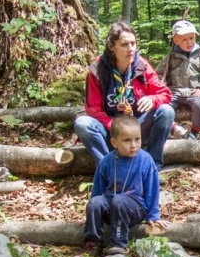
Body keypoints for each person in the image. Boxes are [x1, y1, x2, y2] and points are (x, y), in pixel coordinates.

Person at [74, 22, 175, 168]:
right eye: (124, 44)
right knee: (82, 124)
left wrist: (152, 99)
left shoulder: (142, 66)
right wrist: (113, 125)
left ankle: (151, 167)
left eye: (133, 43)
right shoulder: (97, 70)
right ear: (112, 47)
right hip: (110, 131)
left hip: (137, 128)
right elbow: (93, 109)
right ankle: (110, 168)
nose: (131, 49)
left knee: (166, 111)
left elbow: (165, 94)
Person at [83, 115, 166, 256]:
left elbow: (152, 189)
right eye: (127, 140)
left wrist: (153, 215)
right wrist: (92, 216)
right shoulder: (107, 161)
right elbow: (97, 190)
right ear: (114, 142)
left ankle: (119, 243)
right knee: (96, 202)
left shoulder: (146, 160)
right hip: (111, 205)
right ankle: (93, 243)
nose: (133, 145)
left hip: (135, 208)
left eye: (137, 139)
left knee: (119, 201)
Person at [156, 19, 200, 140]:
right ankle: (172, 128)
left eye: (191, 38)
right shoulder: (170, 57)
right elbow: (158, 75)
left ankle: (194, 132)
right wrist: (162, 87)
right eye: (184, 39)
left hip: (194, 91)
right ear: (176, 40)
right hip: (174, 91)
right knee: (162, 106)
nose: (189, 42)